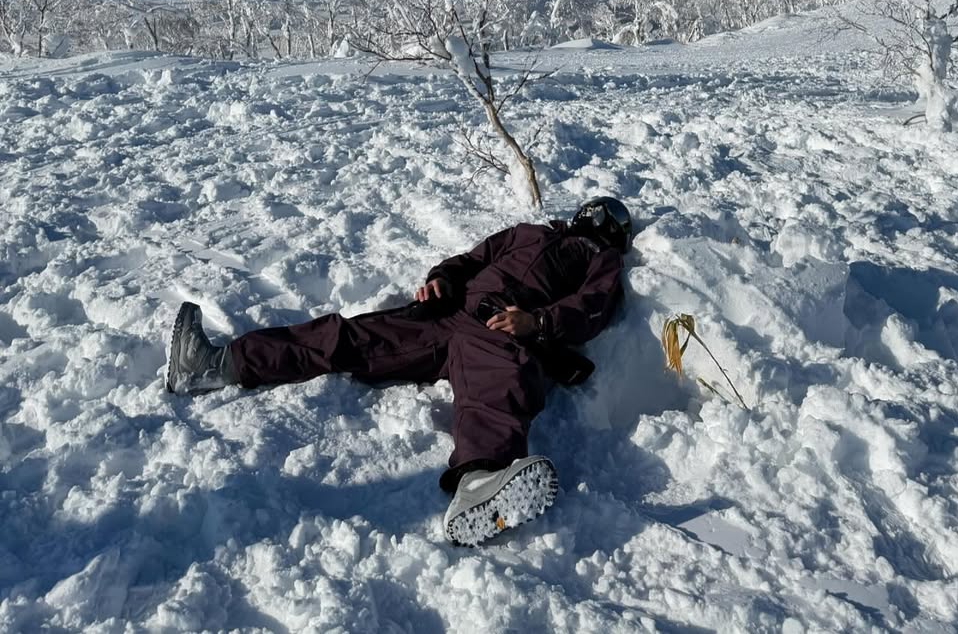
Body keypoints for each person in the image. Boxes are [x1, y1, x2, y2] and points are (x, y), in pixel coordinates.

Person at [165, 196, 633, 546]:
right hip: (446, 313)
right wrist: (442, 280)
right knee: (345, 337)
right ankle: (215, 365)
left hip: (502, 327)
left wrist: (539, 322)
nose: (595, 219)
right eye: (598, 212)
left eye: (605, 218)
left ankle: (479, 483)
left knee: (493, 382)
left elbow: (593, 306)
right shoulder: (526, 231)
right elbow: (469, 260)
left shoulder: (601, 259)